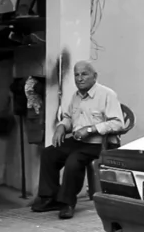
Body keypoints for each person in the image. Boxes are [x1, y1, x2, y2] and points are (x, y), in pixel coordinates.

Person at [32, 61, 124, 220]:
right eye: (76, 75)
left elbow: (118, 123)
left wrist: (90, 130)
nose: (80, 78)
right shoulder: (76, 96)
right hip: (78, 141)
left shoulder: (107, 94)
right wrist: (61, 127)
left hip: (98, 144)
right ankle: (50, 198)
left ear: (94, 76)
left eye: (84, 74)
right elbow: (68, 117)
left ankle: (67, 203)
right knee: (49, 154)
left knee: (73, 161)